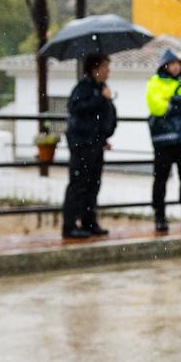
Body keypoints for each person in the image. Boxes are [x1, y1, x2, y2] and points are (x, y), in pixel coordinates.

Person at [146, 48, 181, 232]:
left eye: (178, 64)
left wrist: (173, 102)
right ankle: (159, 217)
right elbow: (156, 106)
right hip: (164, 141)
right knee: (161, 179)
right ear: (166, 65)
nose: (176, 67)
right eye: (172, 64)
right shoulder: (155, 82)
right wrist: (179, 103)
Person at [62, 53, 116, 240]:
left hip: (95, 143)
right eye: (105, 68)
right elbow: (78, 110)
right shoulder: (83, 89)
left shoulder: (100, 88)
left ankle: (89, 220)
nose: (108, 72)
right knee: (79, 184)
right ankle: (70, 225)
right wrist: (101, 99)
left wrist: (103, 137)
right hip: (82, 144)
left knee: (93, 184)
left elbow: (102, 117)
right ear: (95, 69)